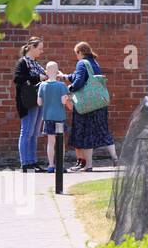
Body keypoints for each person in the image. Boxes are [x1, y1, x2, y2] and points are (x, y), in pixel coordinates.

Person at [67, 41, 115, 173]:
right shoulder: (95, 63)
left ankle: (88, 165)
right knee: (103, 130)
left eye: (76, 53)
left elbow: (79, 81)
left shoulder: (82, 63)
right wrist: (66, 76)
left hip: (87, 104)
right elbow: (82, 76)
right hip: (99, 102)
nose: (76, 56)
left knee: (86, 133)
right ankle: (115, 157)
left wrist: (69, 88)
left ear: (80, 52)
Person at [12, 37, 46, 171]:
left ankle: (32, 162)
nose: (42, 51)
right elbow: (18, 79)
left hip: (37, 101)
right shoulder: (23, 62)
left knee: (34, 133)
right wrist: (37, 78)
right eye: (40, 48)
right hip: (28, 102)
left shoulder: (35, 63)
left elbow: (44, 75)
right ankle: (25, 163)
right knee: (27, 132)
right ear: (31, 47)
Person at [36, 62, 69, 174]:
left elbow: (39, 103)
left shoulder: (42, 85)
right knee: (60, 142)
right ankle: (60, 165)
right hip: (59, 116)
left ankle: (51, 165)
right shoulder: (62, 86)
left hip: (47, 117)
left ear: (46, 71)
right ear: (57, 71)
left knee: (51, 142)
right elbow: (63, 102)